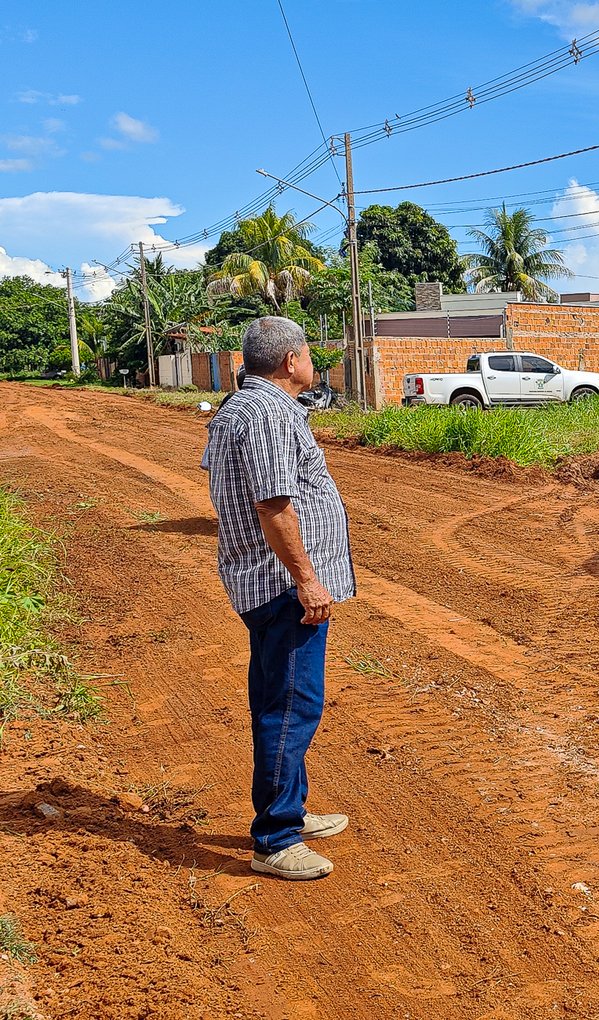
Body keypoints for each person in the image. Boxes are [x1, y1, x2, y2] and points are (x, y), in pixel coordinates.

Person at [201, 316, 356, 880]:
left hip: (259, 579)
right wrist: (308, 579)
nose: (313, 362)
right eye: (310, 353)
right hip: (281, 585)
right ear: (291, 360)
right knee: (291, 706)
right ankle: (276, 838)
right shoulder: (266, 414)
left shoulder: (237, 410)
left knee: (276, 698)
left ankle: (289, 808)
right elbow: (273, 505)